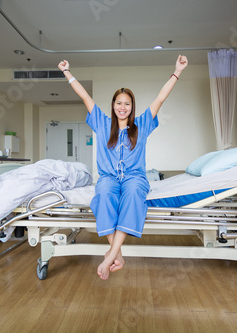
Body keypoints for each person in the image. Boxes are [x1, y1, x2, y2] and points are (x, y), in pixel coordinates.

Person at [58, 55, 188, 280]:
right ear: (113, 105)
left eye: (127, 103)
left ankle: (110, 256)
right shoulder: (101, 122)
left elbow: (160, 97)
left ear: (132, 107)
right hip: (108, 177)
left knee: (135, 194)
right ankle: (118, 253)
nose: (123, 107)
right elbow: (85, 96)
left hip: (134, 177)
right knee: (104, 194)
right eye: (119, 103)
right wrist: (67, 73)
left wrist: (177, 71)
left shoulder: (143, 124)